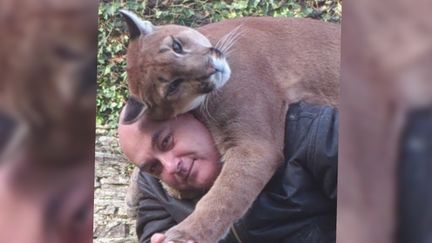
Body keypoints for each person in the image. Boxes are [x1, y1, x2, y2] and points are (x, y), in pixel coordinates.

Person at [118, 101, 338, 243]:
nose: (171, 166)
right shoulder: (154, 188)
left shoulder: (310, 132)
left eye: (166, 141)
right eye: (154, 166)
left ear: (193, 112)